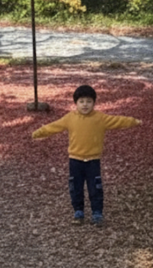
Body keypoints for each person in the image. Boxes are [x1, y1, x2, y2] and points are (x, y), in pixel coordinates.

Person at [32, 84, 141, 227]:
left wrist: (134, 121)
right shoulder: (70, 118)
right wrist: (39, 133)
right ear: (76, 103)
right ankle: (78, 211)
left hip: (93, 161)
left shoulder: (100, 118)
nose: (85, 105)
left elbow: (118, 121)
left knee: (95, 187)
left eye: (89, 101)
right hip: (75, 160)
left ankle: (97, 212)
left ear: (94, 103)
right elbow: (54, 126)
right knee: (75, 187)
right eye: (81, 101)